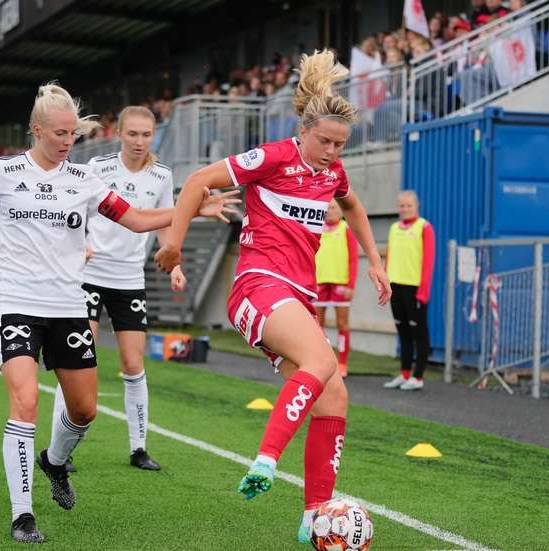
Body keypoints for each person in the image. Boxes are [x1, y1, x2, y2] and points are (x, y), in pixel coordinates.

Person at [0, 83, 238, 545]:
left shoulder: (84, 180)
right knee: (26, 401)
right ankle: (23, 514)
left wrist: (191, 210)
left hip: (69, 307)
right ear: (36, 130)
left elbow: (136, 219)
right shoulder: (1, 172)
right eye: (59, 133)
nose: (67, 141)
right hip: (16, 303)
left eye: (73, 134)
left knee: (85, 410)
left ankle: (54, 461)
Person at [154, 50, 391, 544]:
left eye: (340, 144)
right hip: (258, 286)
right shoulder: (274, 156)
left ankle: (314, 515)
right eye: (324, 141)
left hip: (296, 298)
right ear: (303, 131)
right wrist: (173, 244)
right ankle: (266, 459)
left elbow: (353, 207)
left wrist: (375, 260)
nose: (331, 151)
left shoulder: (333, 173)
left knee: (335, 394)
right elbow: (197, 181)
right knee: (322, 360)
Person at [50, 105, 181, 472]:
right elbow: (75, 211)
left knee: (133, 364)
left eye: (146, 134)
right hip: (90, 275)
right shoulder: (98, 168)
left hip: (130, 279)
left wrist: (174, 262)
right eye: (132, 134)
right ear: (119, 133)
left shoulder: (162, 175)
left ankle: (139, 448)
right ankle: (62, 449)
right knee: (77, 359)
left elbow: (163, 223)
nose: (139, 141)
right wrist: (80, 244)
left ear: (154, 135)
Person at [383, 191, 435, 391]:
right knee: (403, 332)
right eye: (402, 206)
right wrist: (385, 284)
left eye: (408, 205)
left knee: (419, 334)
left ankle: (418, 376)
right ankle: (404, 373)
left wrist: (423, 292)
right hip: (395, 287)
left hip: (414, 288)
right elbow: (389, 257)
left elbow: (428, 262)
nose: (405, 209)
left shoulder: (424, 227)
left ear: (416, 206)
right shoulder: (393, 228)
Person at [313, 199, 359, 378]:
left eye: (333, 208)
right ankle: (322, 361)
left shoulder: (346, 229)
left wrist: (351, 285)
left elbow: (353, 259)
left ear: (340, 210)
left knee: (342, 324)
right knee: (317, 326)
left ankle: (342, 363)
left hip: (341, 284)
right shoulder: (317, 228)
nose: (329, 211)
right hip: (319, 284)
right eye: (327, 208)